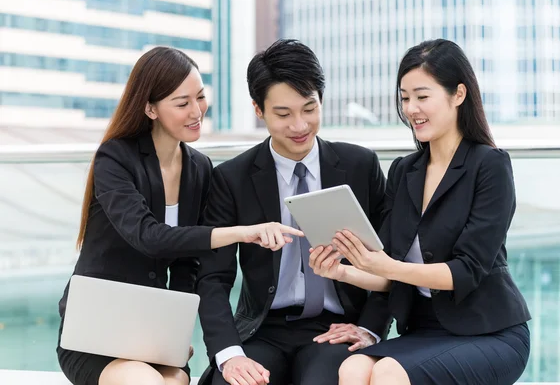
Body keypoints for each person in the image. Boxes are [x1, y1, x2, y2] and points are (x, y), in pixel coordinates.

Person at [56, 46, 302, 385]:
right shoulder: (116, 159)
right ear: (150, 108)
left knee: (179, 380)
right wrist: (239, 232)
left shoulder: (199, 168)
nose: (196, 111)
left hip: (150, 335)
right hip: (97, 333)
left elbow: (189, 266)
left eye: (200, 97)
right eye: (182, 103)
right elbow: (149, 237)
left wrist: (171, 332)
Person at [309, 39, 531, 385]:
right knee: (352, 368)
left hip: (488, 331)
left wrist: (388, 266)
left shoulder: (489, 165)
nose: (411, 108)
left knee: (387, 373)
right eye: (404, 98)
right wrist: (341, 271)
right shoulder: (403, 170)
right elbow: (389, 271)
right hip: (424, 329)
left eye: (422, 96)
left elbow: (466, 271)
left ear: (458, 94)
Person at [196, 39, 392, 385]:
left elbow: (391, 259)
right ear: (259, 110)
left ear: (321, 100)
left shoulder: (360, 166)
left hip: (336, 326)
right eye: (283, 114)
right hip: (262, 327)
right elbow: (213, 277)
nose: (300, 126)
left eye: (309, 108)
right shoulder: (232, 178)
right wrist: (229, 354)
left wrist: (369, 329)